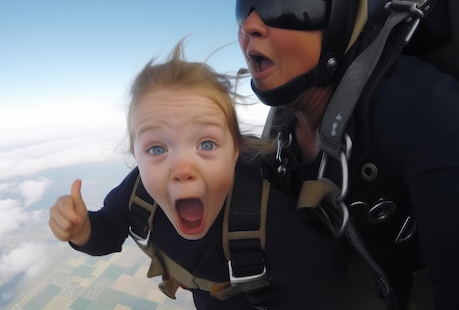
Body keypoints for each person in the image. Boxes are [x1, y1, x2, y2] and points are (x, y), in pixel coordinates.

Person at [235, 0, 459, 309]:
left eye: (285, 6)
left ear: (340, 16)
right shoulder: (282, 127)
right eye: (244, 9)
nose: (250, 25)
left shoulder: (415, 108)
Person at [48, 40, 354, 309]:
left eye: (206, 144)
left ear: (234, 151)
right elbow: (107, 233)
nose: (182, 170)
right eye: (156, 149)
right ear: (136, 156)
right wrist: (83, 229)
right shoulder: (138, 194)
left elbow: (324, 288)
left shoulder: (274, 224)